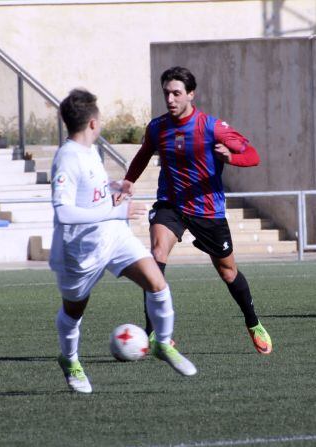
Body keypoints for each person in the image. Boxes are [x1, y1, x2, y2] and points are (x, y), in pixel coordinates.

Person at [115, 66, 272, 355]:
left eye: (176, 93)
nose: (171, 99)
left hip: (207, 209)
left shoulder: (212, 127)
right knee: (157, 256)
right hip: (171, 205)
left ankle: (253, 323)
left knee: (227, 272)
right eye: (166, 93)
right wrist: (128, 182)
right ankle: (154, 334)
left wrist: (231, 157)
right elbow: (143, 154)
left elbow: (253, 155)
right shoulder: (157, 127)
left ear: (190, 94)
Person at [50, 88, 197, 394]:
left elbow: (90, 194)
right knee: (73, 312)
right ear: (92, 122)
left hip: (113, 236)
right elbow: (64, 212)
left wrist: (111, 189)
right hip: (80, 250)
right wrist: (115, 208)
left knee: (157, 284)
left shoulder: (91, 149)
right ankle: (70, 360)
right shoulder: (67, 158)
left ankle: (163, 344)